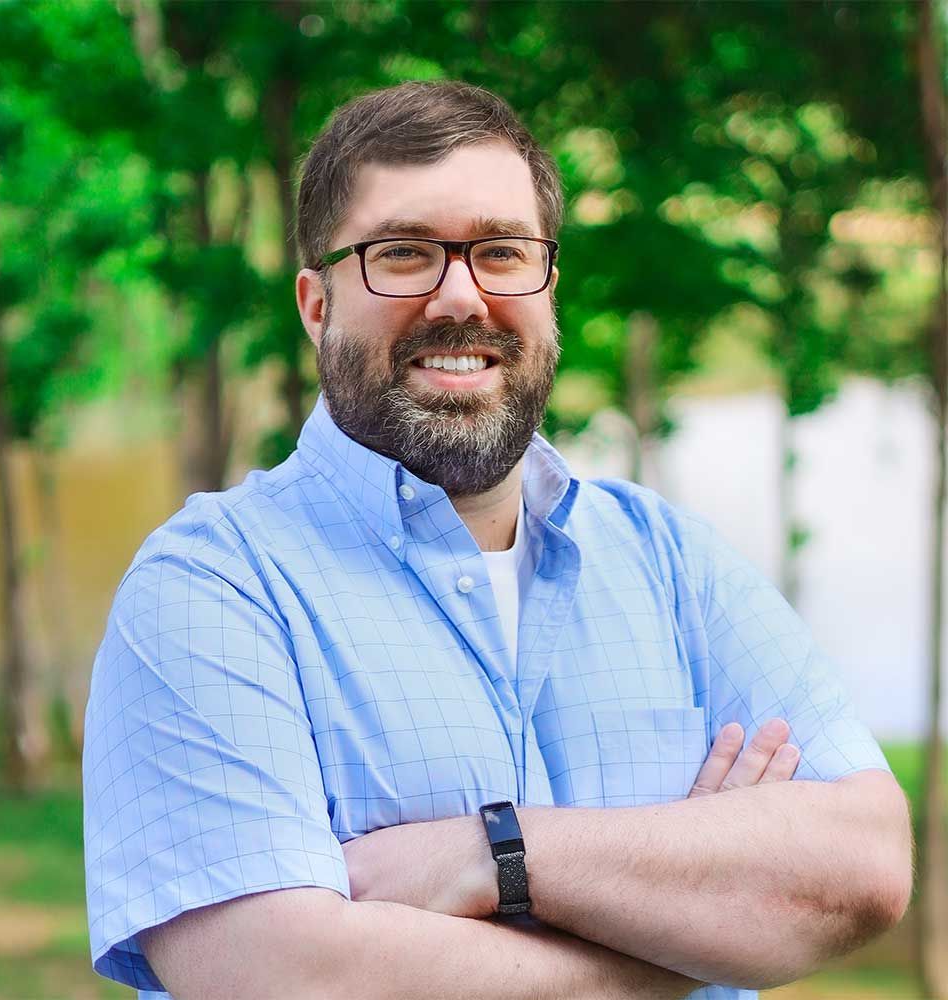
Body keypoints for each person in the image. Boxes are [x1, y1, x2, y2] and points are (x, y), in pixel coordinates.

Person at [82, 81, 912, 1000]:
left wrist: (493, 856)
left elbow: (866, 863)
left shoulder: (673, 561)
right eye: (403, 254)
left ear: (549, 287)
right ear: (316, 305)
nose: (460, 297)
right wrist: (687, 927)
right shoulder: (211, 586)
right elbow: (283, 974)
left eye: (501, 251)